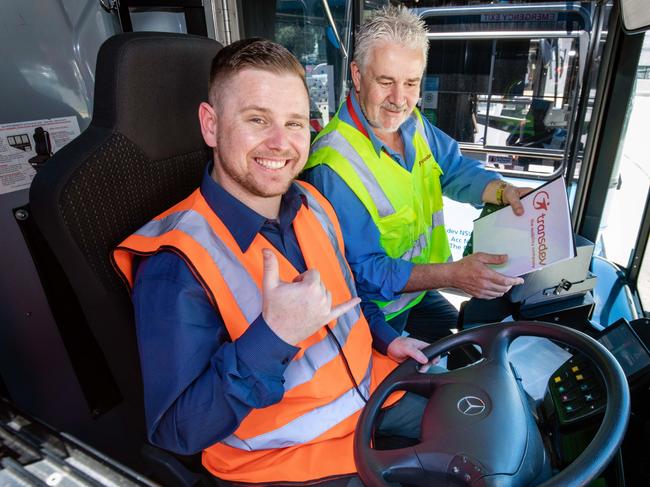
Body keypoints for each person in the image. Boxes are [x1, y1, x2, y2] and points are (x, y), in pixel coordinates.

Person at [112, 38, 436, 486]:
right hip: (293, 463)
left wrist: (385, 338)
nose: (281, 143)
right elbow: (176, 431)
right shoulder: (175, 266)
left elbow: (348, 295)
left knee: (487, 426)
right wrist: (274, 336)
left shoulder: (314, 205)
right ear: (211, 125)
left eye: (295, 123)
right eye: (258, 120)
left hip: (375, 398)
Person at [302, 6, 530, 344]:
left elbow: (452, 169)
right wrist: (453, 274)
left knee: (473, 344)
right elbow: (364, 272)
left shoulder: (414, 123)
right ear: (357, 75)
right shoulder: (332, 166)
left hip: (418, 291)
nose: (399, 100)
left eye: (411, 83)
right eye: (386, 82)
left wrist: (501, 191)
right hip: (374, 310)